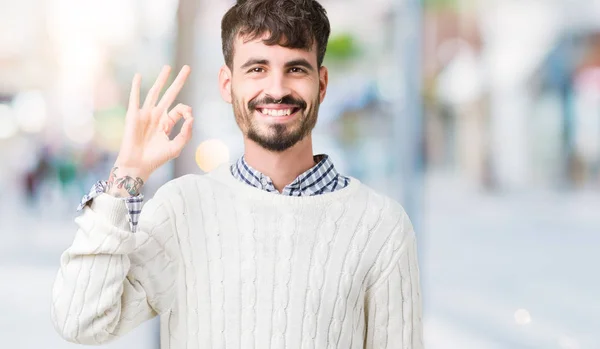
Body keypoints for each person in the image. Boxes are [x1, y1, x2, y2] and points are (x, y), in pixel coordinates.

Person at [51, 0, 424, 348]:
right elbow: (80, 320)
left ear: (321, 84)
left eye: (295, 68)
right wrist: (126, 175)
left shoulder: (381, 225)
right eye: (257, 68)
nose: (276, 89)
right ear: (228, 85)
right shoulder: (182, 210)